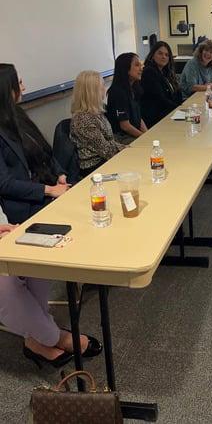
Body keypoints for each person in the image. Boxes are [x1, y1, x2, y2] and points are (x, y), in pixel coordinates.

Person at [0, 63, 100, 368]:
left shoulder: (19, 119)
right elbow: (3, 183)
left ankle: (37, 337)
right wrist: (46, 191)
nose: (24, 86)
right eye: (19, 82)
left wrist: (57, 176)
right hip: (19, 206)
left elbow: (46, 154)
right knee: (11, 280)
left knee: (42, 260)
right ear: (8, 90)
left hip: (31, 207)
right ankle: (54, 336)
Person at [69, 70, 126, 177]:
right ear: (92, 91)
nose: (105, 89)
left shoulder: (97, 112)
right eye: (102, 86)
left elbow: (110, 142)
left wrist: (126, 148)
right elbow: (106, 150)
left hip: (105, 159)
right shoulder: (83, 120)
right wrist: (127, 150)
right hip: (95, 168)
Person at [138, 41, 186, 126]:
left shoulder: (165, 72)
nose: (163, 57)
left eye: (166, 55)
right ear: (153, 55)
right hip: (156, 119)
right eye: (160, 53)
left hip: (170, 114)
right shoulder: (149, 72)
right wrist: (180, 110)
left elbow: (177, 93)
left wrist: (182, 108)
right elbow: (160, 99)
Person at [106, 52, 147, 141]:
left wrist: (147, 134)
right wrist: (145, 138)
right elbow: (125, 126)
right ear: (126, 69)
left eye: (141, 65)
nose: (141, 69)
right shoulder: (117, 92)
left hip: (133, 135)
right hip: (121, 137)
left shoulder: (134, 89)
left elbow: (139, 118)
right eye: (137, 65)